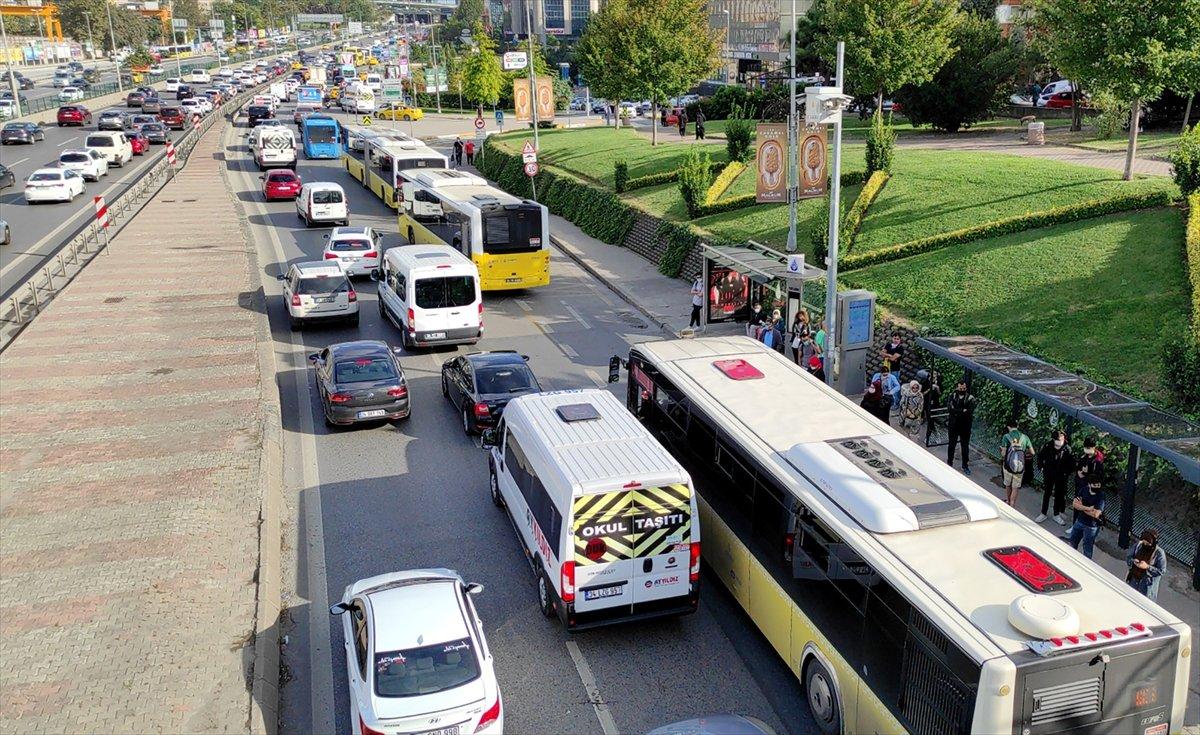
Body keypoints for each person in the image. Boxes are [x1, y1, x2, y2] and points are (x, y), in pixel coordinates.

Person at [1035, 430, 1074, 525]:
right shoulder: (1048, 446)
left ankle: (1056, 514)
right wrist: (1042, 468)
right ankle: (1043, 513)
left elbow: (1071, 463)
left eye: (1060, 440)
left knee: (1058, 495)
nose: (1059, 443)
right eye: (1057, 440)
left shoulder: (1067, 449)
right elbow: (1040, 457)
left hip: (1061, 476)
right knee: (1047, 493)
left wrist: (1066, 473)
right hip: (1049, 473)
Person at [1067, 463, 1105, 559]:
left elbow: (1096, 514)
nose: (1097, 486)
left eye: (1098, 484)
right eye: (1095, 485)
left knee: (1087, 548)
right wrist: (1088, 508)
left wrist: (1081, 506)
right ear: (1089, 485)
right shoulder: (1084, 490)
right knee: (1072, 542)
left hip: (1091, 526)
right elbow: (1075, 504)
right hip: (1080, 521)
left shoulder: (1101, 496)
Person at [999, 420, 1034, 506]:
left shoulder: (1006, 436)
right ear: (1017, 426)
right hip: (1020, 466)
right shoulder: (1025, 437)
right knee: (1015, 486)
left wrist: (1003, 452)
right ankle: (1012, 503)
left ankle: (1008, 501)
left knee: (1007, 484)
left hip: (1008, 465)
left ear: (1008, 427)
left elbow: (1003, 454)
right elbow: (1032, 452)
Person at [946, 379, 976, 474]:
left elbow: (968, 412)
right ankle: (949, 462)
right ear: (957, 387)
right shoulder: (953, 396)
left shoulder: (971, 398)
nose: (962, 389)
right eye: (960, 388)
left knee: (965, 447)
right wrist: (961, 411)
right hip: (953, 425)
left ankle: (965, 465)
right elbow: (950, 409)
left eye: (964, 388)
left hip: (965, 426)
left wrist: (956, 411)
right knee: (951, 444)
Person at [1125, 529, 1166, 600]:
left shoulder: (1159, 553)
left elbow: (1161, 571)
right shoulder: (1139, 546)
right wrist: (1133, 561)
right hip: (1133, 582)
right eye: (1144, 542)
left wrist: (1147, 567)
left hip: (1146, 587)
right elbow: (1129, 557)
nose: (1145, 545)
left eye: (1148, 544)